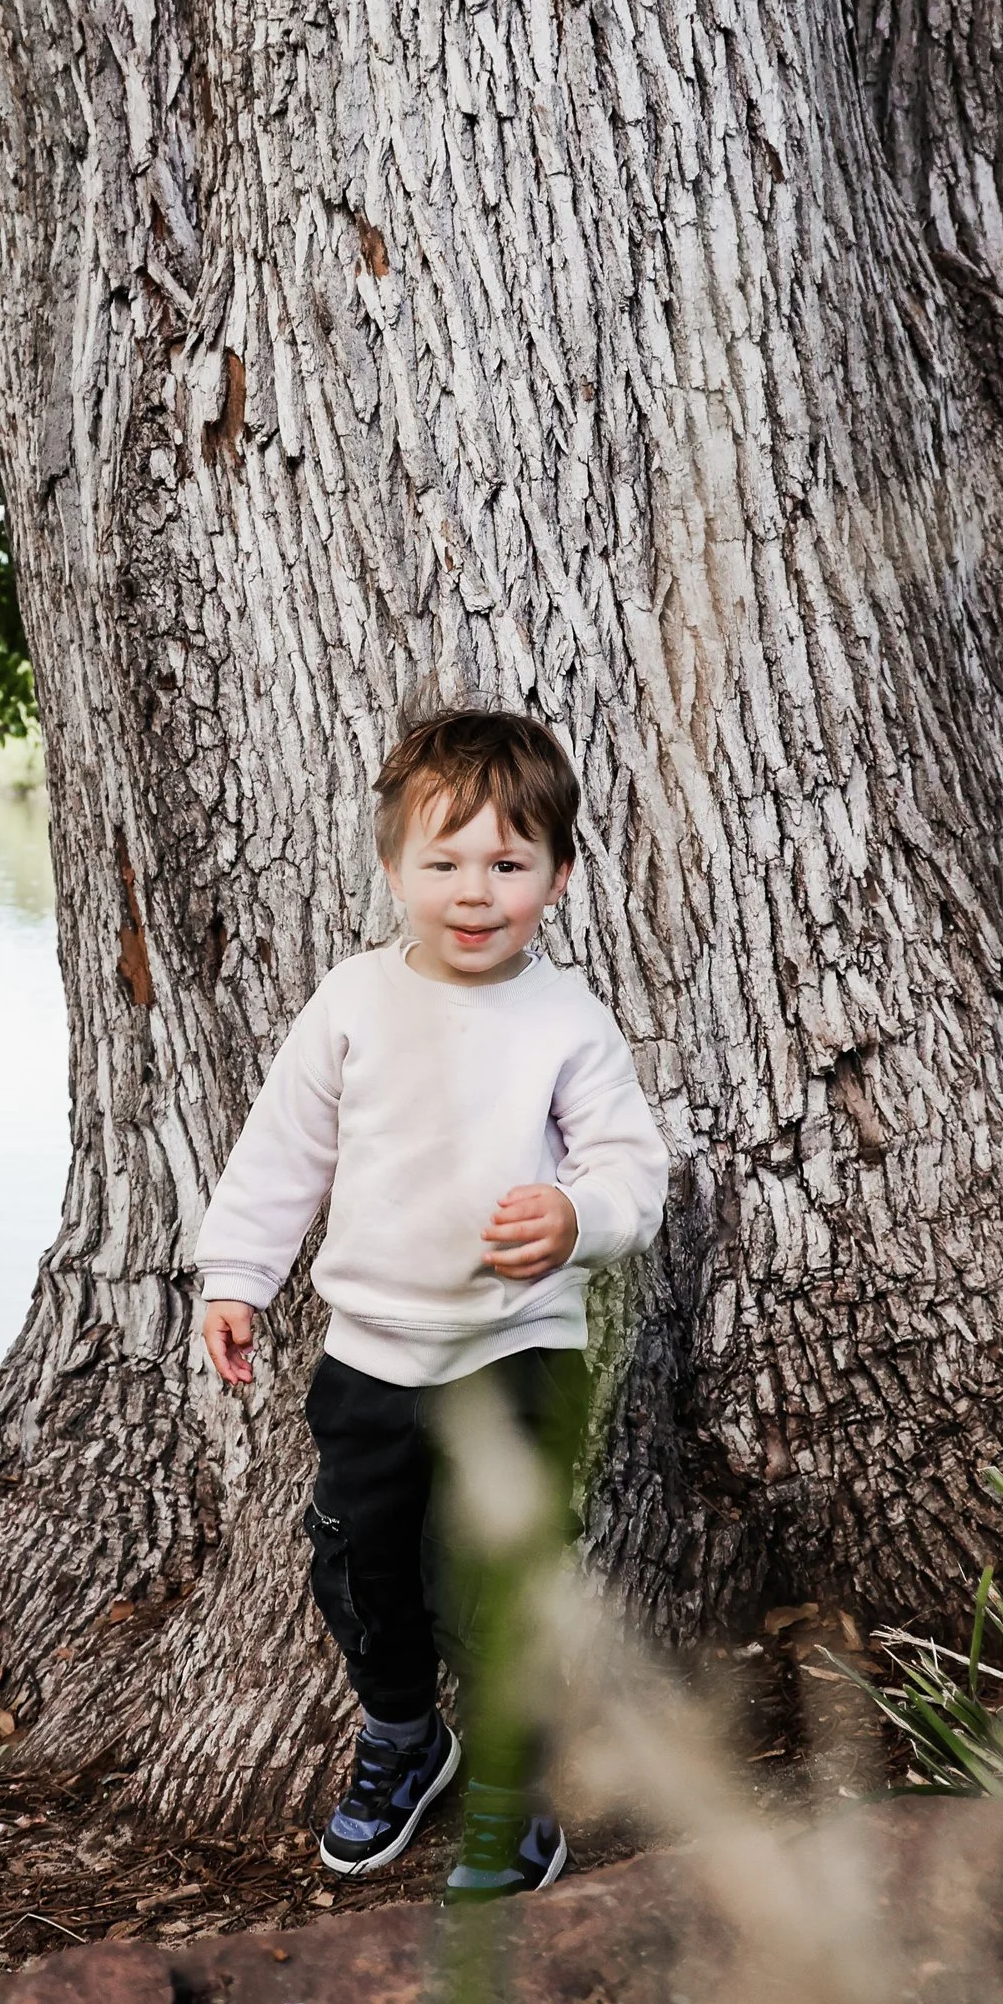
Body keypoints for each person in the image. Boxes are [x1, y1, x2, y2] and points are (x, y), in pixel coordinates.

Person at [195, 707, 668, 1898]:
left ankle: (513, 1796)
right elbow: (280, 1155)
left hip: (518, 1352)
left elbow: (628, 1168)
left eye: (507, 864)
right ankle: (405, 1736)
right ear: (391, 867)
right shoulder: (352, 1000)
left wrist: (577, 1218)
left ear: (557, 877)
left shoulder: (566, 1021)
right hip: (372, 1357)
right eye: (442, 862)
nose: (474, 892)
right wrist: (237, 1275)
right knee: (360, 1566)